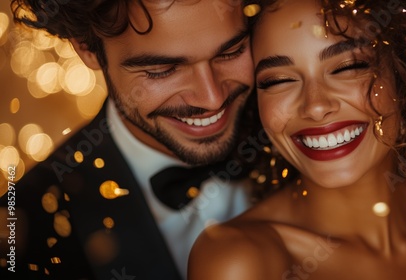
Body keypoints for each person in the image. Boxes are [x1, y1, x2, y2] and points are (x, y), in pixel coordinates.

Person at [188, 0, 406, 279]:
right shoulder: (239, 261)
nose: (315, 106)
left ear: (405, 74)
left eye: (349, 67)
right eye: (279, 80)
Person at [0, 0, 261, 279]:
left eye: (231, 52)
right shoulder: (20, 233)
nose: (213, 99)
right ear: (87, 49)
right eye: (162, 70)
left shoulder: (296, 123)